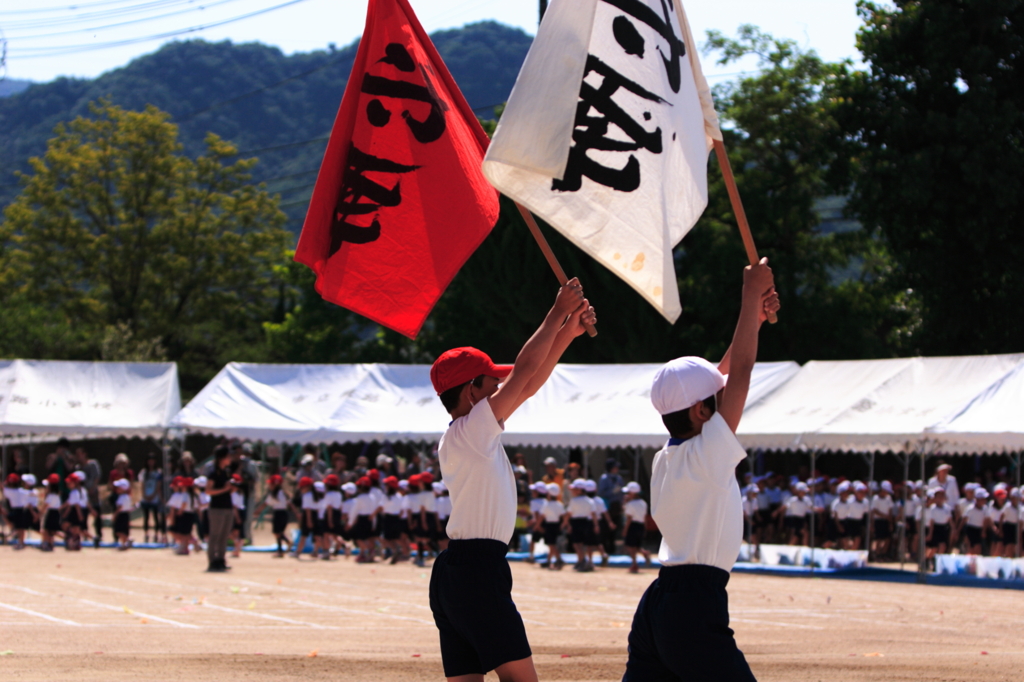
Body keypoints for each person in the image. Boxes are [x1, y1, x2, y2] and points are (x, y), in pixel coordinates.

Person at [429, 277, 595, 682]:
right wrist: (557, 312)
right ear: (471, 391)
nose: (501, 385)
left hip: (458, 572)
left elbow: (528, 383)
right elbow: (523, 375)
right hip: (478, 572)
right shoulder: (472, 432)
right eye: (491, 382)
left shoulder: (464, 434)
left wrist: (567, 333)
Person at [622, 258, 778, 682]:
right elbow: (741, 372)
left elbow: (722, 375)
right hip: (694, 605)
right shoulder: (707, 454)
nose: (727, 402)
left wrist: (755, 320)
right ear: (699, 410)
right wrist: (750, 295)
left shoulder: (669, 455)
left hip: (659, 602)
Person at [205, 446, 235, 572]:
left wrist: (232, 488)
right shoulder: (213, 472)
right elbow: (208, 491)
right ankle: (212, 561)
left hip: (227, 506)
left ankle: (221, 560)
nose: (230, 458)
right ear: (221, 458)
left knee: (224, 536)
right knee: (215, 536)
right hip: (217, 508)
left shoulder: (226, 472)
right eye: (228, 456)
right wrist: (224, 489)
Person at [75, 447, 103, 548]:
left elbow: (97, 477)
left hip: (93, 494)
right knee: (84, 516)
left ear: (84, 454)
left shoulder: (92, 464)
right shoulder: (78, 467)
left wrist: (93, 488)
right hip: (84, 495)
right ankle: (86, 537)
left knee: (97, 515)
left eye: (79, 454)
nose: (78, 456)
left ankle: (99, 535)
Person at [622, 481, 651, 573]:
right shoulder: (643, 503)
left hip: (633, 526)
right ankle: (644, 553)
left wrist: (625, 530)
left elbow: (629, 519)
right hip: (641, 525)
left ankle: (634, 563)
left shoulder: (630, 504)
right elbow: (645, 517)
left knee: (630, 546)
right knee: (637, 545)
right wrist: (645, 528)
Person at [597, 458, 624, 557]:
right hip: (607, 507)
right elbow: (600, 493)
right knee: (605, 529)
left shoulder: (619, 478)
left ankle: (612, 548)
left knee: (615, 528)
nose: (617, 468)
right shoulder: (604, 478)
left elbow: (621, 492)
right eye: (614, 467)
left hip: (616, 507)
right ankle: (605, 550)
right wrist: (612, 491)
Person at [536, 482, 566, 570]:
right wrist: (563, 525)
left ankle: (558, 559)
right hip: (556, 525)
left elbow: (542, 516)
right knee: (552, 543)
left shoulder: (547, 505)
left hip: (549, 526)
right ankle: (549, 560)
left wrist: (537, 525)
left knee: (551, 543)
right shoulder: (559, 504)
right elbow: (563, 516)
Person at [138, 454, 165, 544]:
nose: (151, 462)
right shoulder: (144, 472)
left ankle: (156, 535)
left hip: (155, 498)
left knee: (156, 517)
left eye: (152, 460)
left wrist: (153, 495)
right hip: (145, 497)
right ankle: (146, 534)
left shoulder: (158, 472)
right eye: (149, 460)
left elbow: (159, 485)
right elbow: (142, 484)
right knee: (146, 518)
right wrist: (144, 495)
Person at [870, 481, 896, 559]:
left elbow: (890, 509)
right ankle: (877, 554)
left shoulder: (888, 498)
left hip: (886, 521)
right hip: (878, 521)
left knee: (887, 538)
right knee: (878, 538)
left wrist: (890, 522)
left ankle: (883, 554)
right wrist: (884, 516)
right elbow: (874, 510)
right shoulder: (875, 498)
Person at [41, 474, 62, 552]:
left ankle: (47, 544)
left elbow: (44, 506)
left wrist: (39, 514)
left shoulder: (50, 496)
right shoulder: (58, 495)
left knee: (47, 530)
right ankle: (50, 544)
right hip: (56, 513)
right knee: (51, 531)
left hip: (51, 513)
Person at [113, 478, 134, 550]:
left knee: (118, 531)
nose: (117, 489)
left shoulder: (122, 497)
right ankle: (124, 545)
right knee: (124, 530)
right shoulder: (128, 497)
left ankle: (128, 540)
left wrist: (115, 515)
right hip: (126, 515)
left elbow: (119, 507)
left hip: (121, 515)